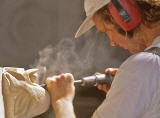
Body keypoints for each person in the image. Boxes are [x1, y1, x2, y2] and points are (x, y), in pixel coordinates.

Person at [46, 0, 160, 118]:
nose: (112, 42)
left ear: (125, 14)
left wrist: (62, 101)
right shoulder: (146, 69)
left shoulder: (143, 66)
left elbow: (144, 73)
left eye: (107, 31)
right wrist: (123, 90)